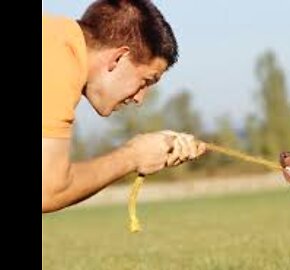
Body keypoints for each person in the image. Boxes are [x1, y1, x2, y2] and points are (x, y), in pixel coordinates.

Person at [42, 0, 206, 213]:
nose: (140, 98)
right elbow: (48, 190)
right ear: (118, 57)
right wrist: (133, 156)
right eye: (146, 81)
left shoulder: (53, 39)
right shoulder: (57, 63)